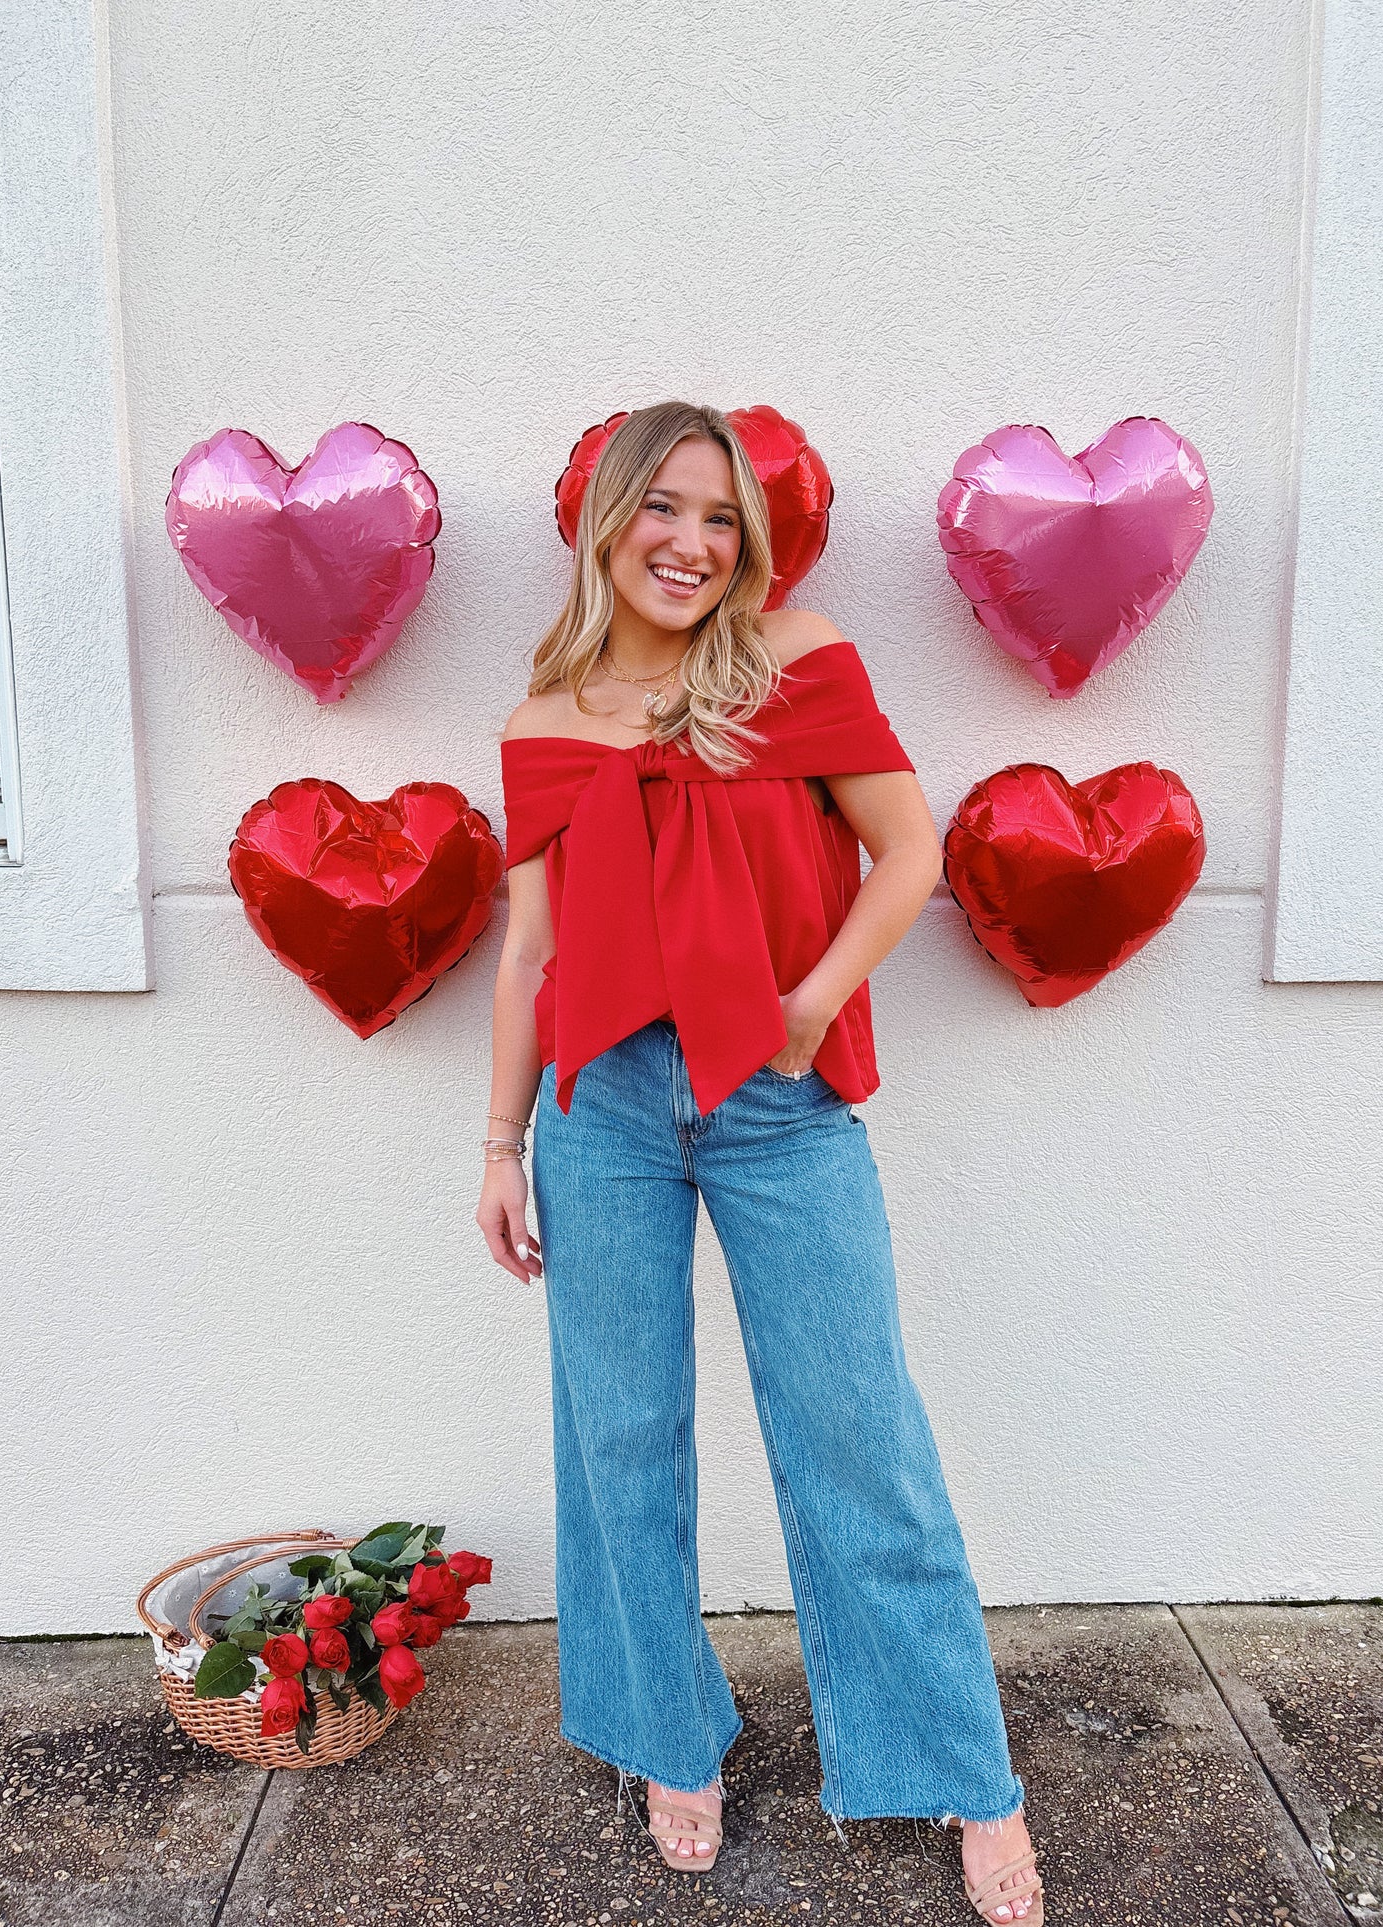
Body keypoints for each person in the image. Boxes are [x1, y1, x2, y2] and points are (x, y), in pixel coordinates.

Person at [477, 401, 1045, 1925]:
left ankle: (963, 1772)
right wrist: (496, 1142)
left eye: (721, 518)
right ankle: (672, 1739)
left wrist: (807, 1005)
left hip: (778, 1103)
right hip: (597, 1113)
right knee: (621, 1445)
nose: (692, 542)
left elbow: (908, 854)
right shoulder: (541, 721)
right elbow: (530, 949)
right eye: (664, 508)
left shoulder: (794, 661)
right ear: (609, 519)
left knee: (860, 1443)